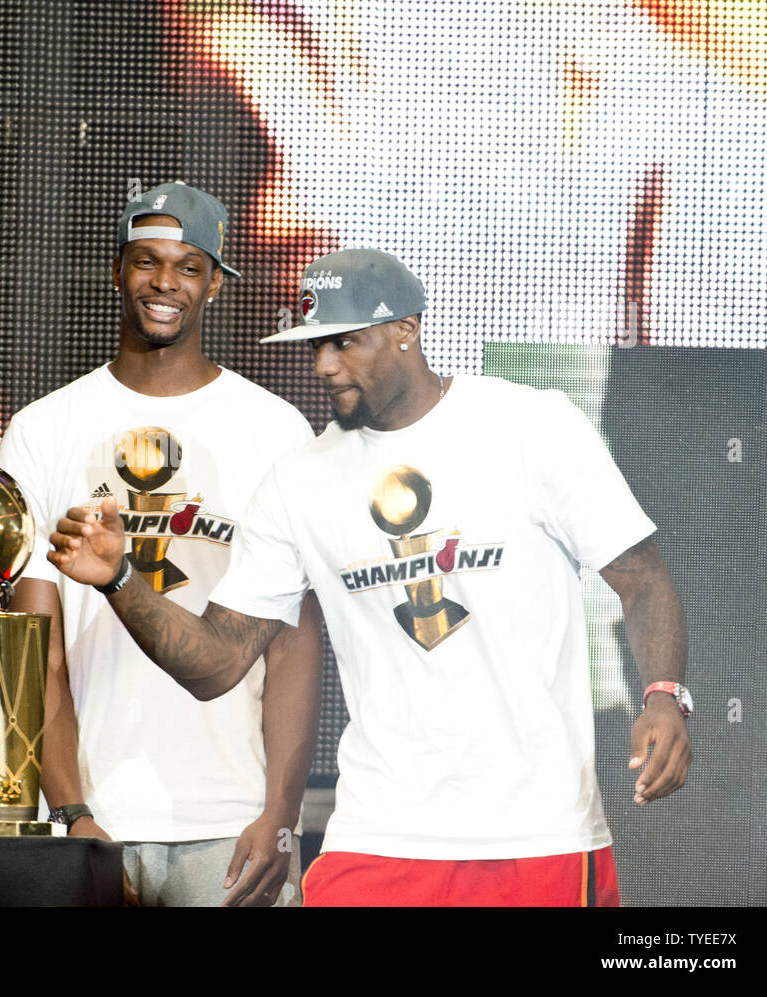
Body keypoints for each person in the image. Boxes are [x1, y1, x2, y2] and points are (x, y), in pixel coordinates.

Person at [48, 248, 692, 907]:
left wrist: (664, 694)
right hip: (376, 835)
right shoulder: (299, 481)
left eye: (343, 343)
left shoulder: (531, 426)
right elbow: (216, 662)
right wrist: (121, 578)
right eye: (315, 346)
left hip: (534, 832)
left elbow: (641, 579)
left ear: (406, 329)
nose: (324, 365)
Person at [0, 182, 323, 906]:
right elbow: (33, 643)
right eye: (147, 261)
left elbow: (294, 645)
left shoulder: (273, 430)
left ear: (214, 283)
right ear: (118, 270)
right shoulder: (43, 429)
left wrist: (280, 814)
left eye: (188, 266)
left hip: (233, 814)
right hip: (95, 819)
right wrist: (72, 809)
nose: (165, 283)